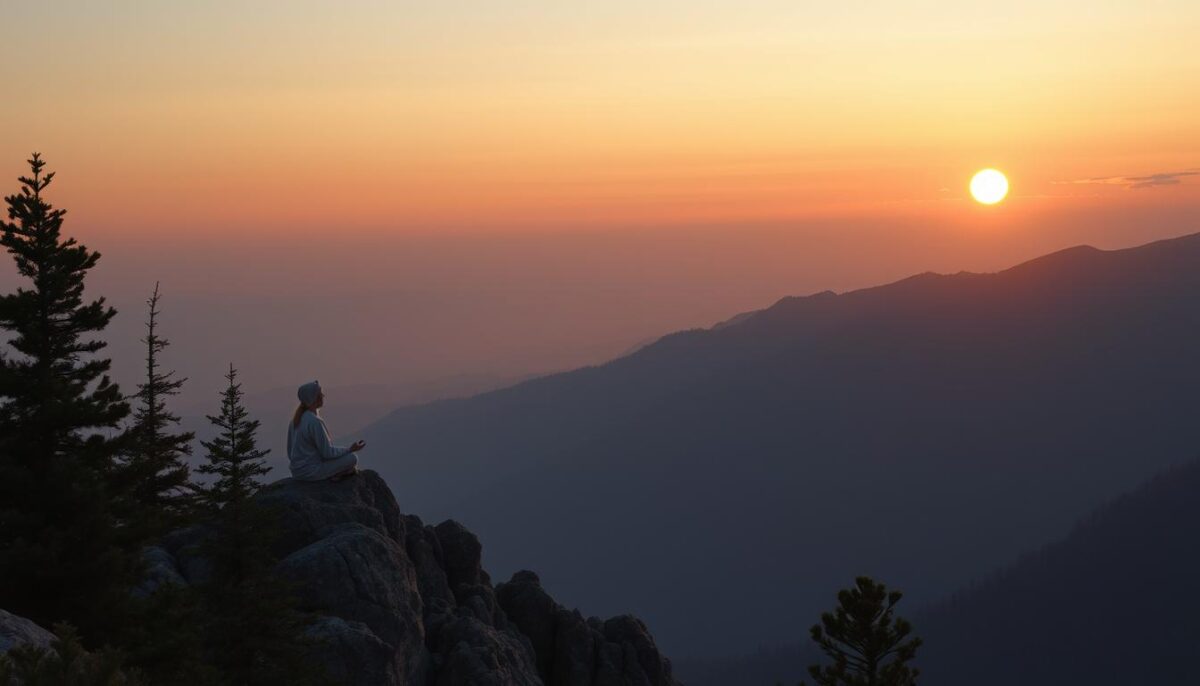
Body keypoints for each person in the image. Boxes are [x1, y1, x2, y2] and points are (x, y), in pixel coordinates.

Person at [287, 380, 366, 481]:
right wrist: (350, 449)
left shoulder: (294, 421)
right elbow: (327, 453)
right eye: (320, 394)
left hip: (297, 472)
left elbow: (290, 452)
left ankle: (340, 473)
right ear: (314, 398)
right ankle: (337, 474)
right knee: (352, 458)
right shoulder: (314, 421)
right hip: (311, 472)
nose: (323, 396)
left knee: (346, 460)